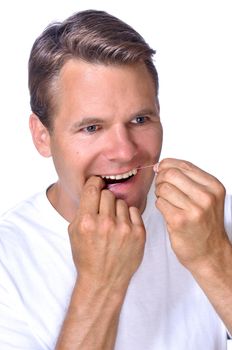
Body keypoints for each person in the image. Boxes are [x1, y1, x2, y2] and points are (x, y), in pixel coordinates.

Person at [0, 9, 231, 350]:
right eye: (91, 128)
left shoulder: (210, 217)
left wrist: (213, 257)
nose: (124, 152)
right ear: (42, 136)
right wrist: (100, 285)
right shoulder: (9, 261)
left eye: (140, 119)